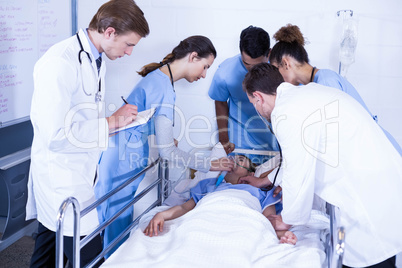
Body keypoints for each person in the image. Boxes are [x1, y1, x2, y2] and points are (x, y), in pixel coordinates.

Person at [26, 1, 150, 267]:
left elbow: (80, 116)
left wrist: (115, 121)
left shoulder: (95, 60)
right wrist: (110, 122)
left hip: (79, 171)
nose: (129, 53)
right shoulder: (60, 62)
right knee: (92, 255)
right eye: (129, 44)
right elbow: (55, 134)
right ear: (109, 32)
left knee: (48, 248)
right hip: (61, 177)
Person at [242, 62, 402, 268]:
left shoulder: (285, 113)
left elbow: (298, 168)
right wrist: (266, 180)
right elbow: (301, 157)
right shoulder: (307, 96)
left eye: (253, 104)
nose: (257, 110)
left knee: (374, 256)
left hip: (367, 199)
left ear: (258, 97)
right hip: (381, 185)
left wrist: (287, 218)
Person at [95, 35, 234, 257]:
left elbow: (140, 118)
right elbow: (168, 152)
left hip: (119, 154)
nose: (204, 74)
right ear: (193, 56)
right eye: (205, 66)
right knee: (114, 231)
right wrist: (209, 163)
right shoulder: (164, 89)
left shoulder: (159, 79)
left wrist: (161, 135)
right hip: (120, 159)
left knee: (113, 225)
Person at [268, 23, 402, 156]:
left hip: (383, 152)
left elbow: (335, 134)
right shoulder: (314, 85)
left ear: (286, 63)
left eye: (276, 70)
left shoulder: (327, 81)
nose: (277, 79)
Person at [144, 154, 296, 244]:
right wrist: (161, 215)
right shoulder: (209, 185)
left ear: (250, 174)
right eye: (232, 157)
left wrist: (279, 234)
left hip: (242, 222)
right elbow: (185, 208)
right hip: (206, 217)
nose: (233, 159)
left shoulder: (260, 190)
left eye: (241, 160)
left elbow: (268, 220)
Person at [208, 25, 279, 161]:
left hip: (273, 140)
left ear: (268, 53)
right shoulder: (225, 72)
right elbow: (220, 102)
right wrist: (223, 139)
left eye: (258, 65)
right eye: (247, 64)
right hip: (240, 141)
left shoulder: (281, 70)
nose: (252, 70)